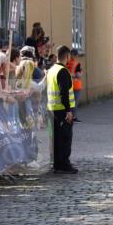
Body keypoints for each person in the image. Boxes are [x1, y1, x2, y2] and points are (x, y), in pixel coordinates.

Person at [47, 45, 77, 174]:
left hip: (52, 109)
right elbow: (63, 92)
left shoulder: (52, 69)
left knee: (56, 139)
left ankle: (57, 164)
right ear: (67, 56)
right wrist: (68, 111)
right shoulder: (63, 71)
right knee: (65, 138)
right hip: (61, 110)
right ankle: (64, 164)